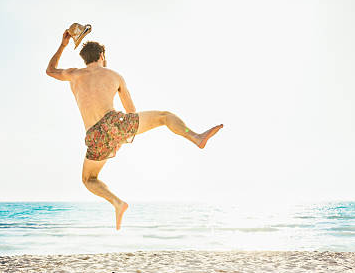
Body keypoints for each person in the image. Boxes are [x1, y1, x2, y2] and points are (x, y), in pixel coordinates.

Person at [46, 29, 223, 230]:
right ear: (102, 56)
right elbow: (131, 112)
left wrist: (63, 44)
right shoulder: (114, 75)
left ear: (85, 59)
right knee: (164, 116)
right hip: (116, 122)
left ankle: (117, 203)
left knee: (89, 179)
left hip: (94, 136)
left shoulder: (74, 74)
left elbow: (50, 70)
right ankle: (196, 137)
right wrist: (120, 135)